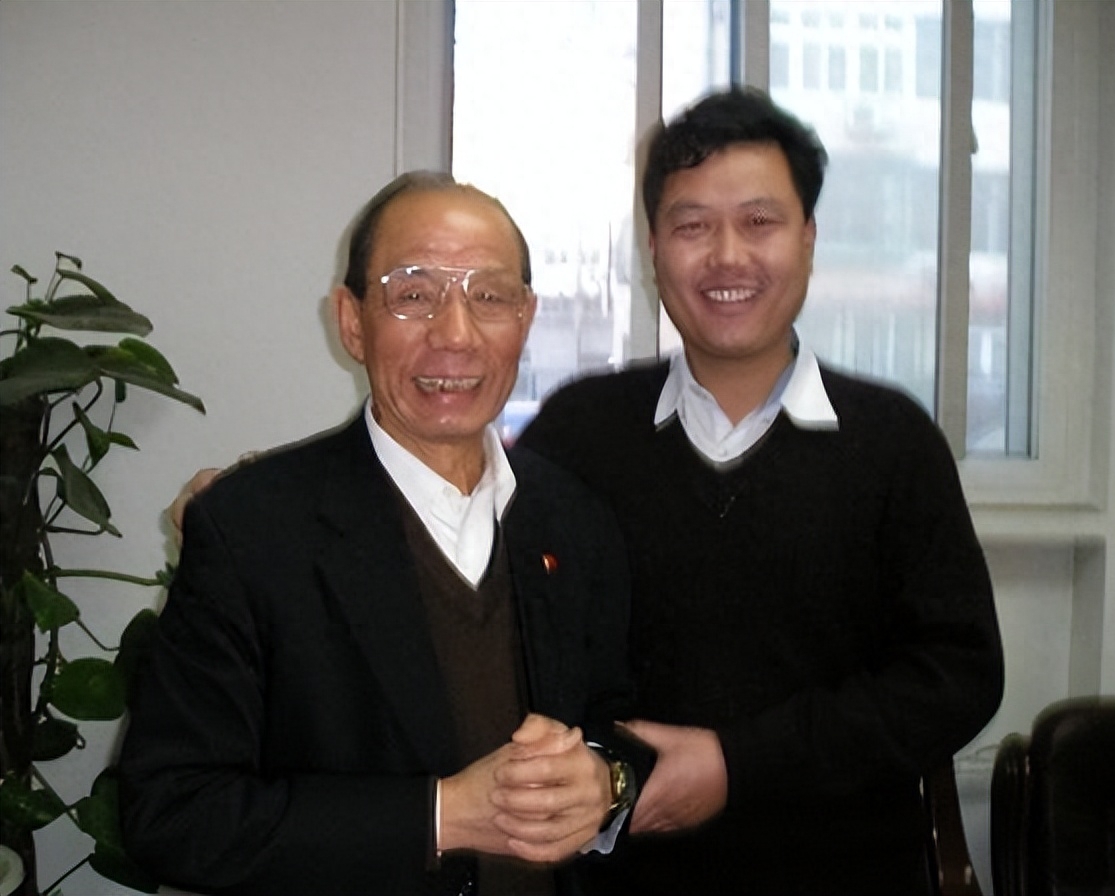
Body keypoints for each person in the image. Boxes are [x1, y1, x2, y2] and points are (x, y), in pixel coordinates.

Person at [516, 86, 1005, 895]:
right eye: (692, 226)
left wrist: (738, 764)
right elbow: (513, 639)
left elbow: (957, 676)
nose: (728, 256)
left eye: (759, 222)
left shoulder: (893, 442)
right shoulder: (577, 433)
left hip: (847, 872)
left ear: (808, 238)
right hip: (626, 874)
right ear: (653, 247)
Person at [118, 171, 650, 896]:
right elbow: (171, 814)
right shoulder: (252, 528)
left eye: (489, 297)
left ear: (525, 319)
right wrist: (439, 816)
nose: (455, 334)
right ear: (351, 321)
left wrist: (607, 780)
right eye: (414, 295)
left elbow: (619, 722)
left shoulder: (574, 518)